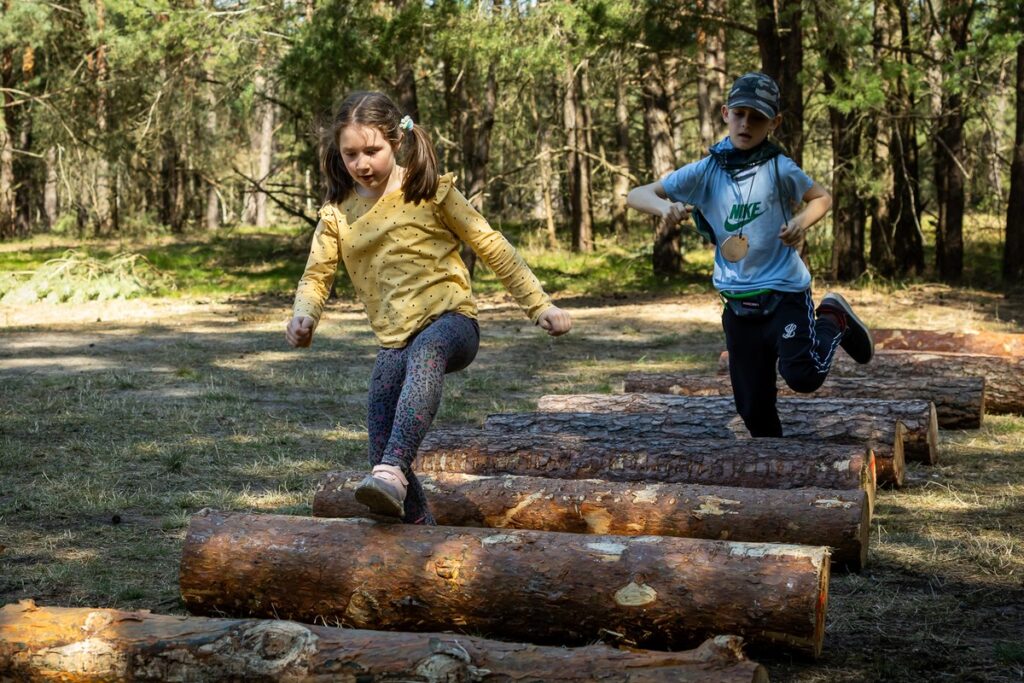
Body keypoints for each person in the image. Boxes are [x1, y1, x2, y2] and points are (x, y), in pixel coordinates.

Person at [287, 91, 572, 524]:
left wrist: (539, 306)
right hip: (393, 340)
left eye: (372, 151)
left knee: (427, 354)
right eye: (350, 154)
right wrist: (305, 314)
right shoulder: (337, 213)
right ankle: (418, 527)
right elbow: (317, 274)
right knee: (380, 427)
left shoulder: (430, 190)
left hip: (452, 324)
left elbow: (490, 244)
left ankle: (393, 472)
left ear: (396, 143)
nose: (361, 163)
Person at [626, 72, 873, 438]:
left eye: (757, 117)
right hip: (738, 303)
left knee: (802, 376)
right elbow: (637, 194)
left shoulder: (779, 168)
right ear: (725, 113)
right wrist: (664, 210)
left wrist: (801, 222)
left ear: (774, 122)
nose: (746, 124)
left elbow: (822, 197)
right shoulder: (707, 170)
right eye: (739, 114)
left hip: (784, 292)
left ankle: (834, 318)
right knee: (753, 410)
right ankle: (774, 475)